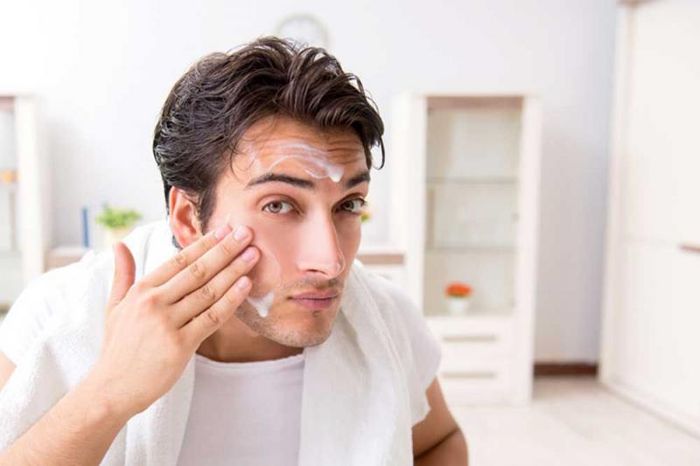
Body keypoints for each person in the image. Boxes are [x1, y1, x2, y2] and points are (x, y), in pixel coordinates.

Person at [0, 37, 468, 465]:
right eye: (279, 205)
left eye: (349, 204)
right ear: (188, 218)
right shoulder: (55, 316)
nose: (331, 262)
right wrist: (109, 392)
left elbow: (439, 442)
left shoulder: (387, 320)